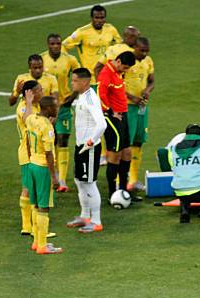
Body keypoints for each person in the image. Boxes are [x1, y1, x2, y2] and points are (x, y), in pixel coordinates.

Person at [63, 68, 107, 233]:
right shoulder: (82, 96)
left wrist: (91, 141)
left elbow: (102, 124)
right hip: (80, 146)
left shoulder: (90, 99)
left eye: (74, 80)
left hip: (88, 148)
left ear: (85, 82)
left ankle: (96, 221)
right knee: (79, 181)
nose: (72, 83)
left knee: (89, 183)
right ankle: (85, 216)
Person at [97, 51, 139, 203]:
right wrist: (110, 112)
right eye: (125, 67)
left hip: (123, 115)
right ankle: (112, 193)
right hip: (112, 117)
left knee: (127, 152)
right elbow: (100, 95)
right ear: (119, 61)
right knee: (115, 154)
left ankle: (123, 190)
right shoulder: (106, 73)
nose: (125, 71)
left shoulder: (117, 71)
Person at [41, 34, 80, 192]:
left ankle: (62, 180)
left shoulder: (70, 59)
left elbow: (80, 78)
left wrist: (73, 96)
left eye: (58, 43)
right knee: (51, 140)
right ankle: (53, 175)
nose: (56, 46)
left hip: (63, 106)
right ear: (48, 44)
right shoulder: (41, 59)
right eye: (52, 44)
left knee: (63, 139)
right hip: (46, 108)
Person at [26, 96, 62, 254]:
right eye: (55, 106)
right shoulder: (47, 128)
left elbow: (28, 140)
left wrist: (30, 158)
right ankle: (42, 245)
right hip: (42, 168)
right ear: (48, 109)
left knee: (35, 204)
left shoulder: (32, 118)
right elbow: (49, 154)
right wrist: (54, 176)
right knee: (44, 207)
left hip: (32, 164)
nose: (57, 108)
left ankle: (36, 242)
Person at [62, 4, 121, 86]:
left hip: (108, 75)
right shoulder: (82, 32)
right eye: (97, 18)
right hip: (90, 78)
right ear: (92, 18)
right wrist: (68, 63)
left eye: (102, 18)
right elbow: (64, 46)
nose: (99, 20)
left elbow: (120, 46)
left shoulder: (111, 29)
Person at [125, 37, 155, 192]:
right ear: (134, 47)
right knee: (125, 144)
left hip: (141, 108)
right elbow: (116, 83)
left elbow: (152, 81)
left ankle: (134, 179)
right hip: (127, 108)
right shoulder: (126, 60)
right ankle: (120, 180)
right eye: (141, 50)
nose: (144, 53)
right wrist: (132, 97)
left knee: (138, 142)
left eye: (146, 51)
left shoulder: (148, 61)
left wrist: (147, 91)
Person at [16, 80, 43, 235]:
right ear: (30, 93)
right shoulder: (23, 107)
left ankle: (29, 226)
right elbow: (28, 120)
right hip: (27, 153)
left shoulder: (35, 105)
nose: (43, 92)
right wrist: (28, 102)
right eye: (39, 90)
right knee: (29, 189)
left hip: (33, 151)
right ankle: (29, 226)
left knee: (30, 188)